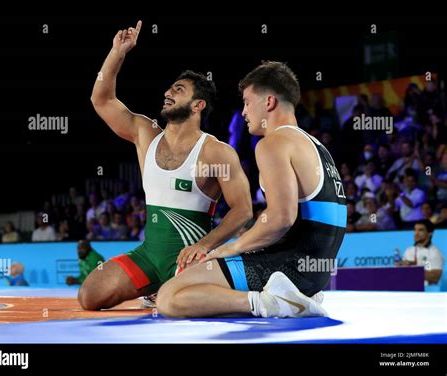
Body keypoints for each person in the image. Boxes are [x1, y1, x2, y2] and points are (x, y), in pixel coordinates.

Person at [79, 21, 252, 310]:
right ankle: (156, 287)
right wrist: (117, 52)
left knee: (175, 308)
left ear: (198, 105)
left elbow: (243, 209)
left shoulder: (215, 152)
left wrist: (204, 246)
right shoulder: (145, 133)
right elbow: (101, 99)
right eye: (170, 88)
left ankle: (233, 294)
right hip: (148, 256)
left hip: (190, 260)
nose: (167, 93)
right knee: (90, 296)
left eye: (178, 89)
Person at [156, 61, 346, 318]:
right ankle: (288, 297)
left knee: (169, 297)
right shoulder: (316, 145)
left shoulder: (273, 143)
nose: (244, 112)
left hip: (288, 268)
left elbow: (281, 219)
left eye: (247, 102)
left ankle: (271, 302)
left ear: (268, 102)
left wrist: (229, 249)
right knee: (195, 279)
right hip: (315, 272)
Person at [400, 219, 443, 285]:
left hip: (425, 292)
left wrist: (410, 272)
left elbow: (435, 277)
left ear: (430, 233)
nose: (416, 233)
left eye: (420, 230)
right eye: (415, 230)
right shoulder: (409, 250)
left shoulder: (434, 253)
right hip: (407, 290)